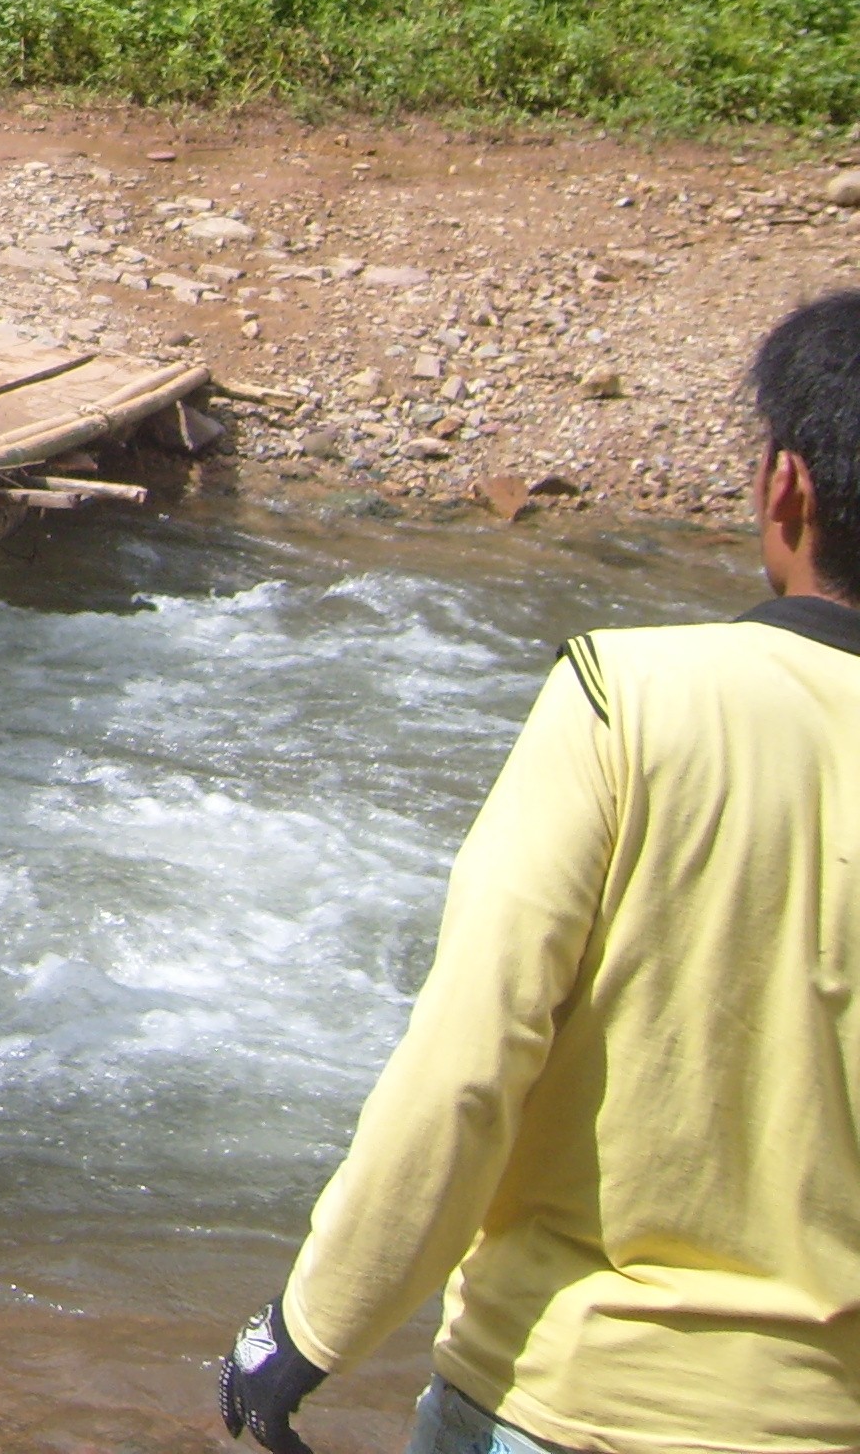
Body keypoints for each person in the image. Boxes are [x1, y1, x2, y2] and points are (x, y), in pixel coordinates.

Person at [217, 288, 860, 1454]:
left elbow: (470, 1061)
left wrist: (309, 1330)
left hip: (577, 1399)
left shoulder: (631, 701)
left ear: (787, 489)